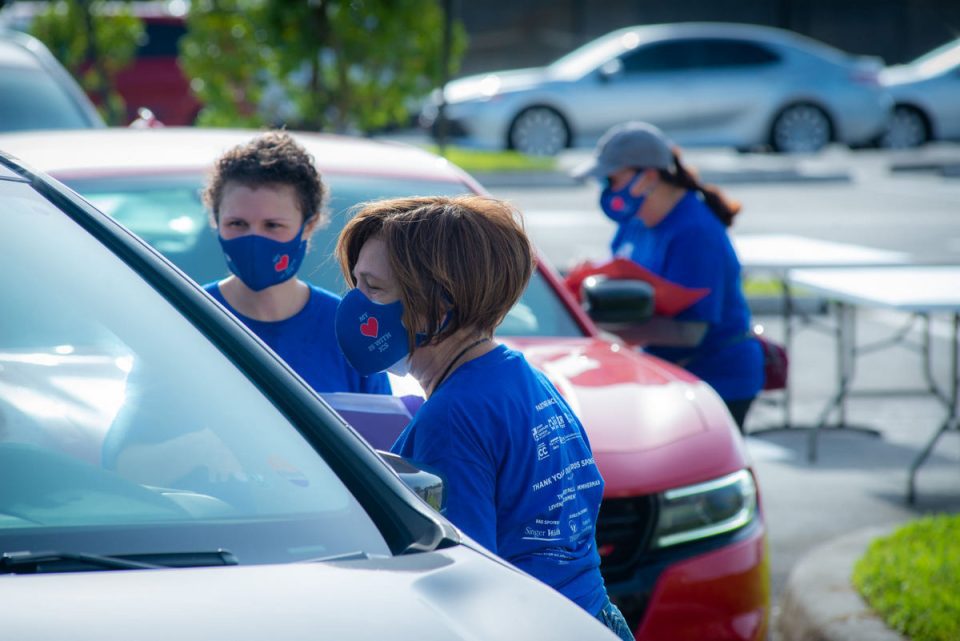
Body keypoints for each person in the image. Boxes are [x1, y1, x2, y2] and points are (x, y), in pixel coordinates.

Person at [333, 196, 633, 640]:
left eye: (373, 288)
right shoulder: (525, 378)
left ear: (440, 302)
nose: (356, 304)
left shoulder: (453, 417)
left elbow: (464, 583)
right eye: (355, 283)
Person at [573, 121, 764, 431]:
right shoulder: (635, 221)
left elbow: (691, 333)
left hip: (717, 380)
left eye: (611, 179)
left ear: (648, 177)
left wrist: (596, 322)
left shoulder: (695, 232)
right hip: (668, 372)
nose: (605, 190)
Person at [202, 130, 390, 395]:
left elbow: (380, 432)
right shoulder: (188, 317)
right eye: (237, 224)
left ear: (309, 225)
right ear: (216, 220)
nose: (254, 240)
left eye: (272, 225)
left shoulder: (350, 333)